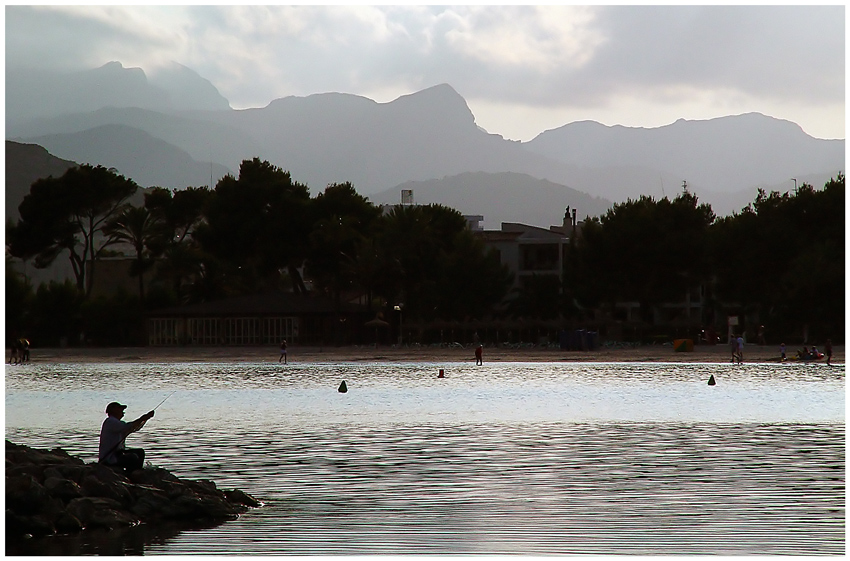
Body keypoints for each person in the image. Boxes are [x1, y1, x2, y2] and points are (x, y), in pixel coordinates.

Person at [99, 402, 154, 473]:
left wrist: (146, 418)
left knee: (140, 452)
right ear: (113, 410)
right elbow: (127, 426)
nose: (122, 411)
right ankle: (132, 474)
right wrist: (142, 418)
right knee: (132, 457)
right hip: (109, 458)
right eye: (120, 409)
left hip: (117, 454)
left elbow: (133, 428)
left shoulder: (116, 423)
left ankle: (136, 472)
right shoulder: (111, 421)